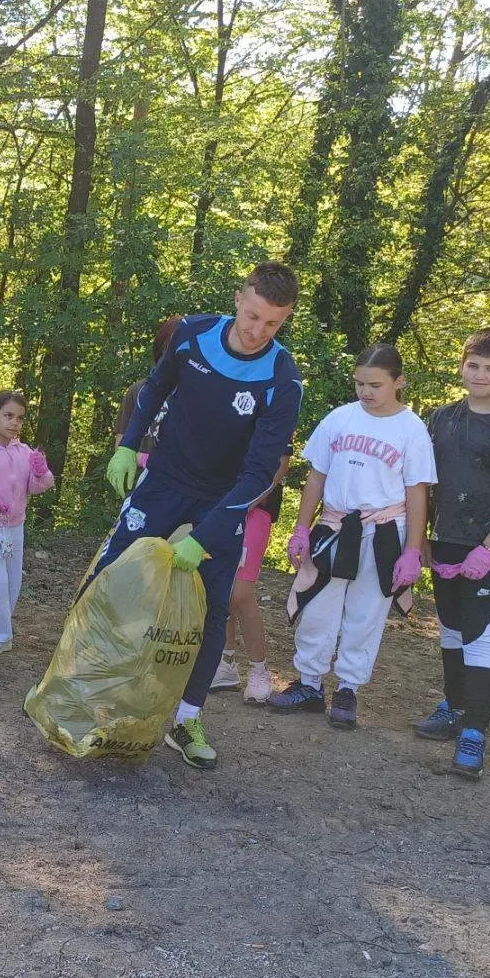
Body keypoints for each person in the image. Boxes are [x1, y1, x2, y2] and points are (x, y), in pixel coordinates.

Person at [98, 262, 304, 769]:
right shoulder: (192, 335)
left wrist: (208, 532)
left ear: (285, 320)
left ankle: (187, 718)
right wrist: (127, 447)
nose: (258, 330)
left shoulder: (283, 379)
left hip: (223, 500)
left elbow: (260, 472)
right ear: (239, 299)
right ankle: (83, 682)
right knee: (110, 577)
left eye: (273, 323)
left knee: (213, 609)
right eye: (253, 315)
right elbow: (153, 389)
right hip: (163, 482)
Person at [270, 344, 434, 731]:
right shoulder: (339, 419)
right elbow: (317, 476)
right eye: (360, 383)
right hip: (334, 525)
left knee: (366, 612)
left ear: (398, 382)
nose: (365, 392)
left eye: (375, 384)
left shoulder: (412, 430)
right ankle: (309, 683)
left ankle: (348, 688)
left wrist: (412, 549)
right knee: (318, 606)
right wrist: (300, 527)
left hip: (383, 531)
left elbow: (417, 492)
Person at [412, 329, 490, 778]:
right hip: (444, 539)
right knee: (448, 627)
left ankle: (475, 732)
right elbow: (422, 483)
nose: (480, 375)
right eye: (473, 366)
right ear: (462, 365)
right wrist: (419, 538)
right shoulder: (439, 418)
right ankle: (454, 706)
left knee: (480, 634)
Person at [0, 391, 55, 655]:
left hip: (15, 526)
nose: (14, 423)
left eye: (19, 418)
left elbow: (36, 487)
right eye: (8, 416)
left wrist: (42, 472)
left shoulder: (25, 453)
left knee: (11, 581)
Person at [217, 478, 288, 702]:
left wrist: (248, 501)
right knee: (222, 590)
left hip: (255, 508)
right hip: (221, 506)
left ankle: (259, 670)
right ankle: (226, 664)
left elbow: (279, 466)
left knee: (241, 593)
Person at [112, 315, 184, 467]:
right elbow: (120, 448)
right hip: (138, 482)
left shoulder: (198, 394)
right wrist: (147, 460)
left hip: (180, 484)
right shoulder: (137, 391)